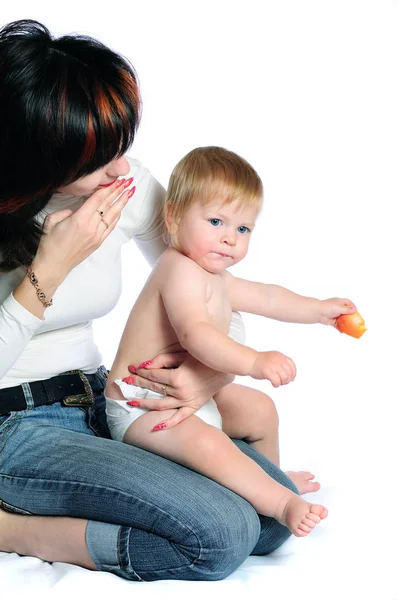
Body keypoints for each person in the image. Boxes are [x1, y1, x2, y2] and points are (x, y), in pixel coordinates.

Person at [0, 19, 303, 581]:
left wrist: (206, 375)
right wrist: (49, 268)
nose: (121, 169)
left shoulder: (124, 188)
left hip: (105, 401)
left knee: (272, 520)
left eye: (121, 146)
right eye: (97, 158)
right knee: (221, 537)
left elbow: (207, 283)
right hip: (14, 427)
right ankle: (12, 528)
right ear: (38, 158)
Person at [105, 146, 357, 536]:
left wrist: (318, 309)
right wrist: (255, 361)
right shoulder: (178, 270)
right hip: (142, 409)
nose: (229, 239)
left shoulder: (217, 277)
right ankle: (280, 501)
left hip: (190, 397)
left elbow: (269, 297)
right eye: (216, 221)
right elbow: (196, 335)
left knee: (261, 410)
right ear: (172, 216)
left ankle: (267, 477)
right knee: (209, 444)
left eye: (242, 229)